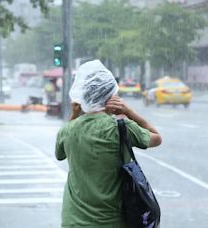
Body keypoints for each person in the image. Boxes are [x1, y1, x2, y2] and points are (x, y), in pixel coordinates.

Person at [55, 60, 162, 228]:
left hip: (73, 222)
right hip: (111, 223)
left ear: (82, 97)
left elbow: (59, 154)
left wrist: (74, 116)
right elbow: (157, 137)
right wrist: (128, 111)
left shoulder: (68, 130)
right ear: (111, 96)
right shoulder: (121, 128)